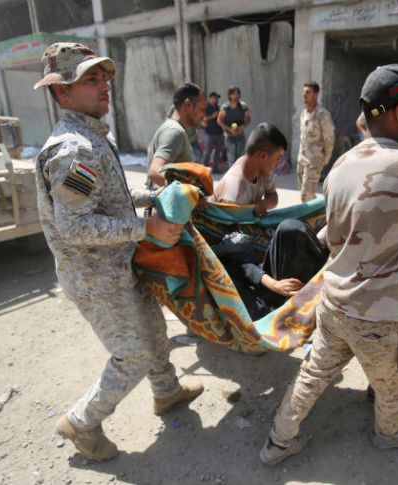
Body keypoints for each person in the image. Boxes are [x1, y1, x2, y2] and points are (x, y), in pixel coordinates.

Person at [259, 64, 398, 465]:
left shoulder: (339, 168)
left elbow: (333, 237)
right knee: (392, 384)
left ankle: (277, 441)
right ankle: (391, 435)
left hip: (333, 302)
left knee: (312, 374)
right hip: (379, 313)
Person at [32, 43, 204, 461]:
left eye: (104, 77)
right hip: (96, 276)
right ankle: (81, 423)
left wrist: (152, 198)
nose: (104, 86)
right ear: (63, 91)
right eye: (90, 79)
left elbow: (109, 201)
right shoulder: (74, 149)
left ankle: (166, 391)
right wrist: (146, 227)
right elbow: (74, 227)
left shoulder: (92, 136)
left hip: (120, 262)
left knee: (154, 330)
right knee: (133, 353)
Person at [211, 122, 282, 217]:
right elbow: (229, 224)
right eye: (278, 158)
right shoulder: (234, 191)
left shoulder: (264, 168)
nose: (279, 162)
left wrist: (263, 204)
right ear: (263, 156)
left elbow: (272, 195)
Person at [147, 83, 207, 187]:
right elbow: (154, 172)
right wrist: (188, 192)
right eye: (201, 109)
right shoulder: (175, 132)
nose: (204, 115)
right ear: (188, 105)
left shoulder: (174, 129)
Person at [297, 81, 335, 202]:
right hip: (302, 160)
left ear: (316, 94)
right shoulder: (303, 114)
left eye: (308, 92)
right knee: (304, 195)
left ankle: (310, 214)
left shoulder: (322, 115)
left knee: (306, 196)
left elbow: (329, 139)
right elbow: (303, 138)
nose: (304, 95)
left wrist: (325, 159)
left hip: (314, 161)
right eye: (303, 92)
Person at [217, 85, 251, 167]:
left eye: (238, 93)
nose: (236, 95)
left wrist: (242, 127)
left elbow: (248, 119)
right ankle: (232, 174)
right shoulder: (225, 107)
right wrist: (229, 129)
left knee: (240, 158)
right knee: (231, 159)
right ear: (229, 95)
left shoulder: (243, 106)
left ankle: (239, 173)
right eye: (234, 93)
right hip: (229, 136)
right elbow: (219, 120)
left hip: (240, 135)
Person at [202, 92, 225, 171]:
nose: (216, 99)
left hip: (219, 133)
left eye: (217, 98)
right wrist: (212, 116)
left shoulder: (219, 108)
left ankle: (215, 168)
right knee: (207, 152)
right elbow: (203, 119)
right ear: (210, 98)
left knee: (218, 152)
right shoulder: (206, 108)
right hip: (209, 133)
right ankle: (204, 168)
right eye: (214, 98)